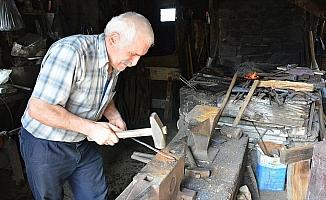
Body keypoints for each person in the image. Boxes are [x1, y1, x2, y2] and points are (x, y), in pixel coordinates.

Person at [19, 12, 154, 200]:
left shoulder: (115, 60)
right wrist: (92, 128)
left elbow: (99, 91)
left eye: (140, 56)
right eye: (133, 54)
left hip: (81, 141)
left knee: (96, 195)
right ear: (113, 39)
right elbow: (39, 108)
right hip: (46, 143)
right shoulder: (71, 52)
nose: (134, 63)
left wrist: (113, 115)